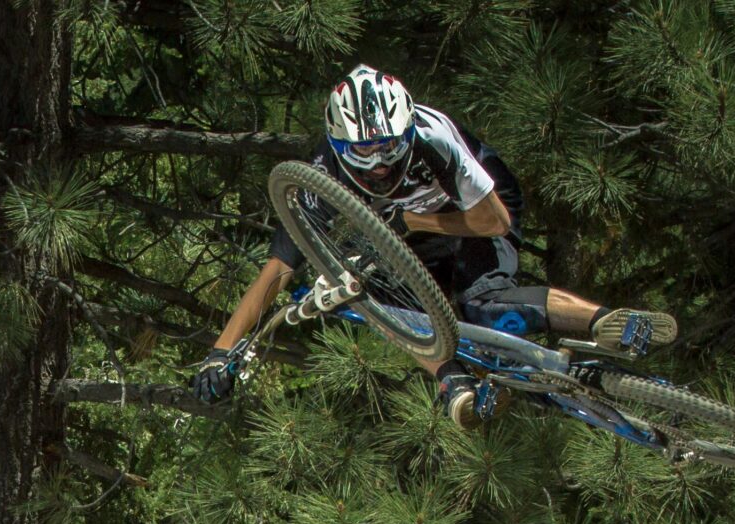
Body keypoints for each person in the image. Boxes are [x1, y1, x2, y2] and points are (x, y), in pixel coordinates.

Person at [191, 65, 676, 428]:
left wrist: (411, 219)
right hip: (411, 233)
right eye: (364, 151)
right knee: (371, 301)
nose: (379, 163)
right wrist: (221, 351)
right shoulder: (320, 176)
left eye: (389, 146)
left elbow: (493, 221)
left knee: (482, 303)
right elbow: (276, 270)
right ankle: (455, 382)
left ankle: (606, 322)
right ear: (339, 145)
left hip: (478, 209)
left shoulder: (433, 136)